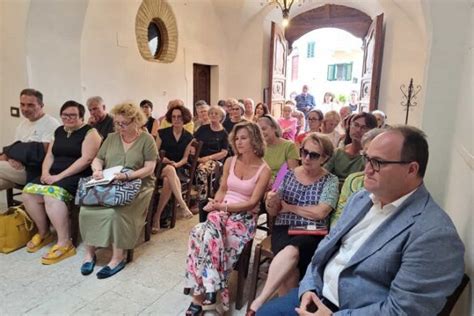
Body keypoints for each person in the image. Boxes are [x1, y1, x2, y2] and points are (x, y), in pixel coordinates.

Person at [257, 125, 465, 316]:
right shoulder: (362, 198)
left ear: (411, 169)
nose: (366, 169)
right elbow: (325, 250)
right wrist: (308, 288)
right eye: (367, 158)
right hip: (317, 294)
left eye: (378, 162)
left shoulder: (434, 234)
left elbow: (404, 311)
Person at [183, 121, 272, 314]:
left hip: (244, 218)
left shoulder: (264, 170)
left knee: (216, 238)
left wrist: (223, 207)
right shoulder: (230, 162)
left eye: (244, 138)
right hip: (222, 212)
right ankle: (210, 289)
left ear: (255, 139)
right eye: (236, 138)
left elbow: (252, 203)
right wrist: (216, 205)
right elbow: (223, 189)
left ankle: (200, 297)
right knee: (197, 232)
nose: (239, 142)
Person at [248, 133, 339, 314]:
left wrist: (289, 207)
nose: (306, 158)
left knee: (290, 251)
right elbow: (274, 210)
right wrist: (271, 202)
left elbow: (321, 212)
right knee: (289, 271)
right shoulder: (286, 174)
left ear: (325, 158)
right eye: (304, 152)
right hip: (285, 227)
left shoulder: (331, 180)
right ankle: (290, 309)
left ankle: (260, 301)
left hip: (313, 231)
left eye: (314, 155)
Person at [79, 103, 158, 279]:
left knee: (116, 212)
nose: (120, 127)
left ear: (136, 122)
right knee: (86, 210)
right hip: (111, 182)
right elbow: (97, 159)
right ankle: (89, 254)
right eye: (117, 123)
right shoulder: (111, 138)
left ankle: (117, 258)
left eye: (124, 124)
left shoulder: (147, 140)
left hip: (138, 184)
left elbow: (149, 169)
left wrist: (128, 177)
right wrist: (97, 170)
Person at [22, 100, 101, 264]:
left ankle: (65, 243)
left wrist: (59, 177)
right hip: (54, 174)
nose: (68, 118)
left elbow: (86, 160)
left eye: (73, 115)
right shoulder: (58, 131)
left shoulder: (90, 132)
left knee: (52, 196)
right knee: (28, 192)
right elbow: (50, 155)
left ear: (81, 117)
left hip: (77, 176)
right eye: (65, 115)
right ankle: (44, 233)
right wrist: (45, 172)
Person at [0, 89, 59, 190]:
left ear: (41, 105)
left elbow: (40, 153)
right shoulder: (22, 124)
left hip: (35, 172)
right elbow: (16, 149)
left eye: (30, 105)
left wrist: (10, 151)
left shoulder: (51, 123)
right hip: (16, 168)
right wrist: (10, 158)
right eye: (22, 104)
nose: (25, 109)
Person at [152, 104, 194, 233]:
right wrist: (162, 159)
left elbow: (185, 158)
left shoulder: (188, 137)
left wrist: (177, 164)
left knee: (167, 180)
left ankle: (156, 217)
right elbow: (154, 153)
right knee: (169, 169)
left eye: (179, 117)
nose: (176, 119)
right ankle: (183, 205)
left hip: (178, 168)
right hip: (160, 166)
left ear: (184, 118)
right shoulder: (162, 133)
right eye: (173, 117)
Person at [330, 128, 384, 228]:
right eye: (366, 156)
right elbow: (339, 216)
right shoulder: (353, 181)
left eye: (376, 160)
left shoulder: (390, 185)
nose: (368, 167)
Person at [324, 112, 377, 185]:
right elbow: (323, 174)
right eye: (356, 125)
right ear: (349, 126)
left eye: (364, 127)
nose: (358, 130)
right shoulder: (338, 152)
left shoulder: (369, 157)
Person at [194, 105, 229, 209]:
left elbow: (224, 152)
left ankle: (201, 200)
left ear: (221, 117)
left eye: (216, 113)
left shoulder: (224, 133)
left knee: (201, 170)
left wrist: (208, 158)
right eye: (211, 113)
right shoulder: (203, 128)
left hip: (215, 160)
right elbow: (194, 141)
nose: (213, 115)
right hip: (199, 158)